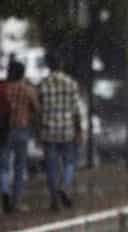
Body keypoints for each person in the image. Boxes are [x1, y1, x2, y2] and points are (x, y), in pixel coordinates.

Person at [0, 61, 39, 213]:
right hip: (21, 130)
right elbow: (36, 108)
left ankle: (4, 189)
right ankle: (17, 202)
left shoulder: (0, 89)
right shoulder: (27, 89)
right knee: (19, 166)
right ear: (22, 73)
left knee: (3, 166)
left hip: (4, 130)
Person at [38, 50, 84, 211]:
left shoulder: (43, 84)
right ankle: (64, 186)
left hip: (48, 130)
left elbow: (38, 110)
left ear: (48, 65)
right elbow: (77, 110)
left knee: (51, 167)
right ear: (61, 64)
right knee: (70, 162)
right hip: (67, 130)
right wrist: (79, 130)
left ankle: (54, 200)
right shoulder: (71, 83)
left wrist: (38, 130)